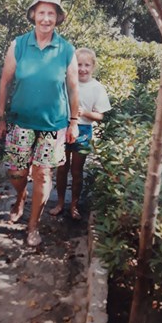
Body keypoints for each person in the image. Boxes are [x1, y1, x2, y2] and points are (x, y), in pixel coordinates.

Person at [0, 0, 79, 246]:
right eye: (42, 12)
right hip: (20, 122)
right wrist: (0, 117)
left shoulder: (67, 50)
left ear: (57, 17)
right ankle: (20, 197)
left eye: (51, 13)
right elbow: (4, 83)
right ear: (33, 14)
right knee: (17, 172)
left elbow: (73, 88)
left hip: (52, 125)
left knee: (43, 175)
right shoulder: (18, 45)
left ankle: (33, 226)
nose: (46, 18)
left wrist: (74, 121)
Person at [50, 47, 111, 220]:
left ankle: (74, 205)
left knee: (77, 171)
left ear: (93, 66)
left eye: (87, 65)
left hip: (83, 131)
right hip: (63, 128)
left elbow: (100, 115)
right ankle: (60, 202)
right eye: (79, 65)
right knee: (61, 169)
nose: (83, 69)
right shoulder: (66, 82)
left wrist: (83, 113)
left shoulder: (97, 87)